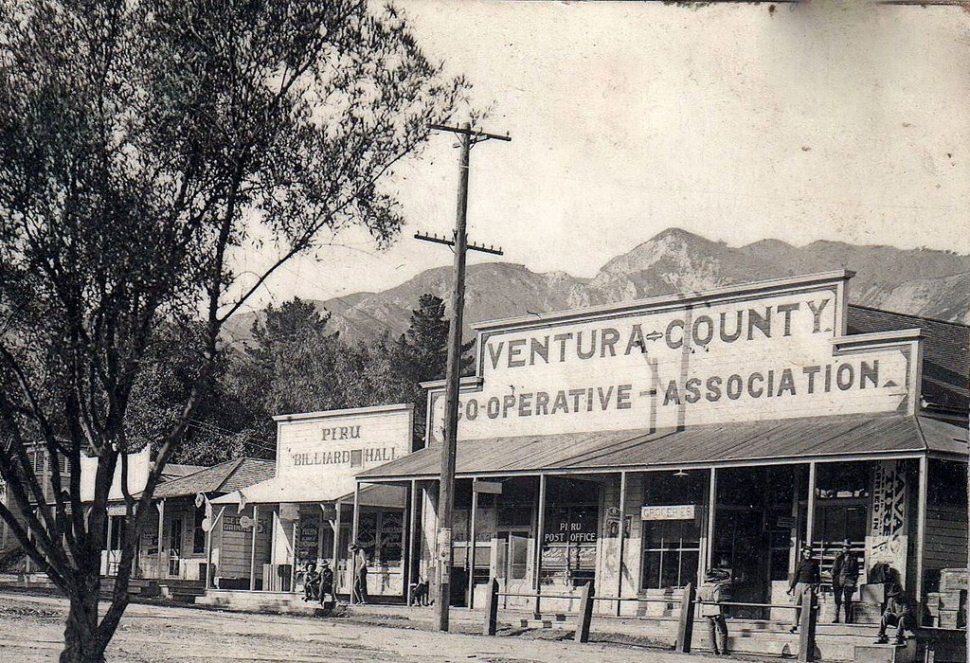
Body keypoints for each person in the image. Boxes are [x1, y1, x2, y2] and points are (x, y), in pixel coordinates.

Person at [697, 564, 732, 655]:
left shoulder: (701, 588)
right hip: (716, 611)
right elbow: (717, 599)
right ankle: (723, 650)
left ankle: (714, 650)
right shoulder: (716, 587)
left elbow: (698, 599)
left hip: (707, 611)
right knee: (723, 631)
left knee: (711, 631)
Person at [787, 546, 820, 633]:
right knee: (797, 605)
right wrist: (791, 588)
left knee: (808, 606)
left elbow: (817, 577)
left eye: (809, 553)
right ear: (803, 553)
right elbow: (796, 576)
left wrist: (816, 587)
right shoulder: (800, 563)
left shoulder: (814, 563)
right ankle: (794, 624)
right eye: (806, 553)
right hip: (799, 585)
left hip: (809, 586)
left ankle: (806, 625)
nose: (808, 555)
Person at [830, 540, 859, 624]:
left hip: (849, 579)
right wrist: (834, 579)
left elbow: (856, 571)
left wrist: (854, 580)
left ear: (849, 548)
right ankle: (836, 618)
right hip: (839, 579)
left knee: (847, 599)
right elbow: (834, 569)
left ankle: (848, 618)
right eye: (844, 547)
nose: (845, 549)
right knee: (837, 599)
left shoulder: (853, 558)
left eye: (847, 547)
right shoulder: (839, 557)